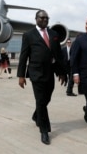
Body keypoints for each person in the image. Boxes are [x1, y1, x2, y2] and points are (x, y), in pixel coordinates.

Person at [17, 10, 65, 145]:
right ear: (36, 19)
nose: (45, 20)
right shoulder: (28, 35)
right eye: (42, 18)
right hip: (36, 73)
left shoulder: (54, 34)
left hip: (50, 72)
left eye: (47, 18)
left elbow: (58, 55)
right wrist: (21, 75)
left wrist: (61, 72)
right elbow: (23, 56)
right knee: (40, 100)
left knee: (46, 98)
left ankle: (36, 115)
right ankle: (44, 130)